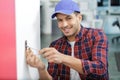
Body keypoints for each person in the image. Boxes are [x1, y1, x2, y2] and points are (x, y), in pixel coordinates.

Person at [26, 0, 109, 80]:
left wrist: (63, 58)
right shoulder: (55, 46)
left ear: (79, 18)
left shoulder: (97, 35)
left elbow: (100, 70)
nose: (64, 25)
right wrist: (41, 68)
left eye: (69, 18)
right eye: (60, 20)